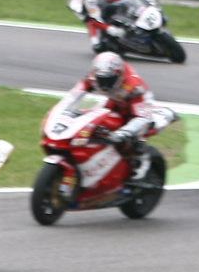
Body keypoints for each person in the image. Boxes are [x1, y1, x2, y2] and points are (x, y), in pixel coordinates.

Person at [62, 52, 164, 181]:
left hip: (139, 106)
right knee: (93, 122)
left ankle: (142, 165)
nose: (104, 84)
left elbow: (142, 117)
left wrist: (124, 132)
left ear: (118, 74)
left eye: (108, 80)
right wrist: (64, 109)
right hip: (114, 101)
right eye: (101, 79)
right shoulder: (93, 76)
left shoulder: (133, 86)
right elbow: (74, 94)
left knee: (135, 135)